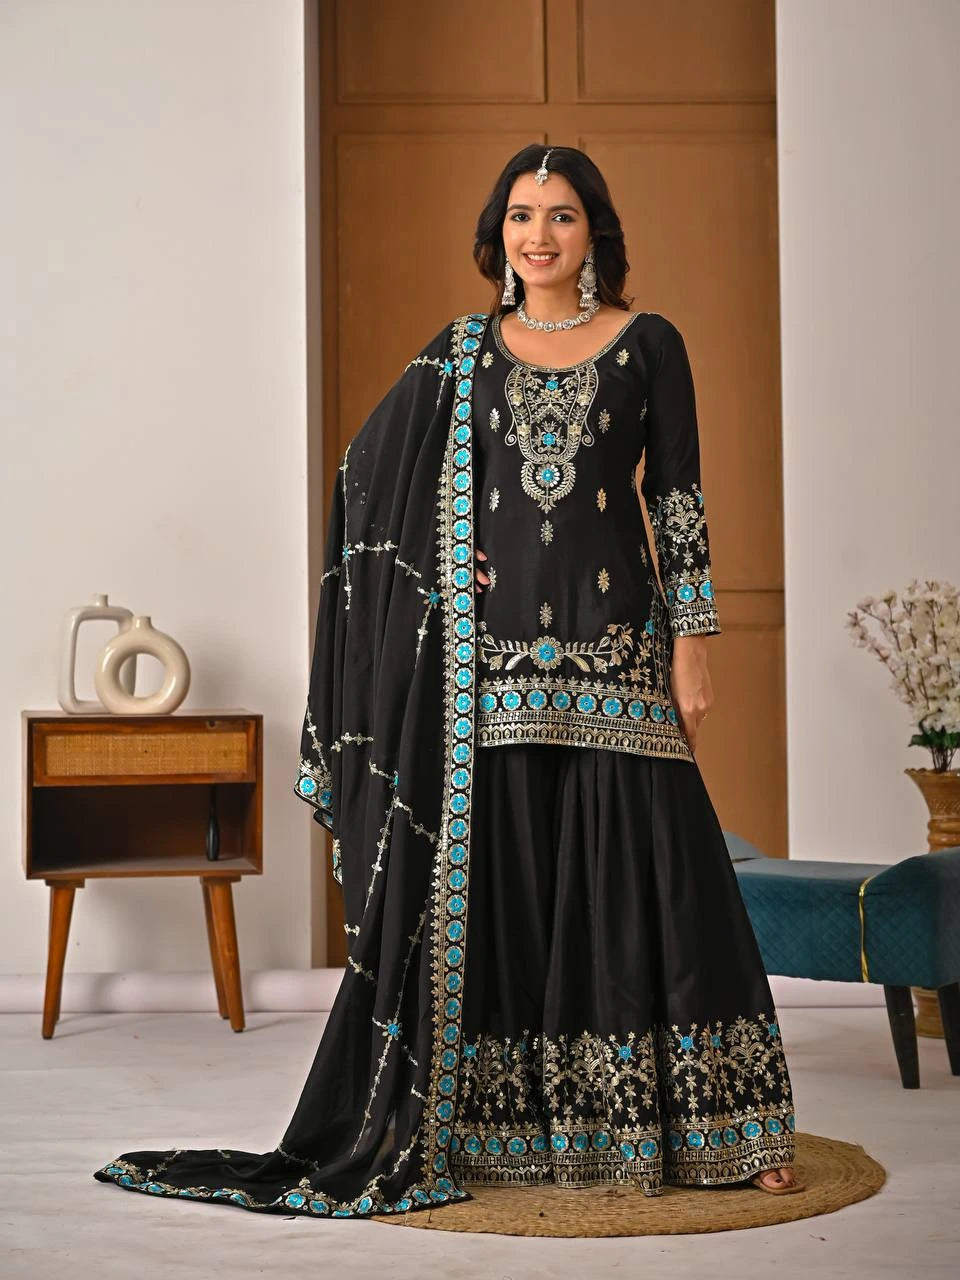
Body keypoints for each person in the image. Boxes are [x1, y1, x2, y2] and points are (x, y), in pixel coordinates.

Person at [93, 144, 800, 1220]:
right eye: (522, 214)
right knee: (506, 888)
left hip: (622, 652)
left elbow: (682, 502)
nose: (541, 235)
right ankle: (504, 1129)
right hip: (488, 674)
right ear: (499, 232)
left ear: (596, 232)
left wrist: (694, 642)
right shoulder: (461, 356)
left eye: (563, 215)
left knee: (662, 880)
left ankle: (724, 1128)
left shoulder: (650, 345)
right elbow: (367, 477)